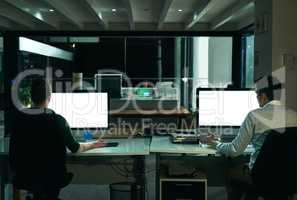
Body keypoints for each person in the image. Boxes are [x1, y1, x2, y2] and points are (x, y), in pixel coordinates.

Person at [9, 78, 106, 200]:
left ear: (31, 96)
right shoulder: (57, 120)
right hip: (52, 177)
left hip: (25, 176)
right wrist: (93, 144)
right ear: (49, 97)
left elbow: (14, 151)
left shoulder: (18, 119)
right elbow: (75, 148)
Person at [202, 75, 297, 200]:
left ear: (263, 96)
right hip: (290, 178)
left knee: (230, 170)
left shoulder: (254, 116)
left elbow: (234, 151)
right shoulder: (294, 115)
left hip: (261, 178)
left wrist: (214, 143)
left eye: (256, 95)